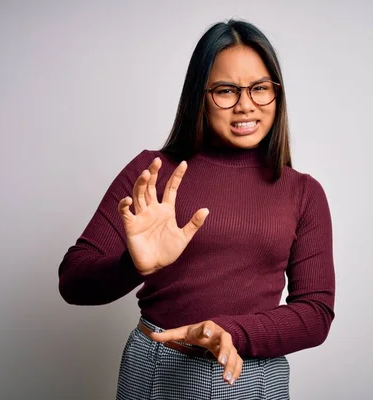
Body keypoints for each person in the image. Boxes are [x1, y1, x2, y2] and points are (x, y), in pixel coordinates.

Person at [58, 19, 335, 400]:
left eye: (260, 89)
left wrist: (230, 332)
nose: (245, 105)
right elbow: (72, 282)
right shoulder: (153, 172)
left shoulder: (303, 192)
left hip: (253, 377)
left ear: (277, 94)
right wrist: (133, 265)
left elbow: (316, 313)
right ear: (199, 96)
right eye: (225, 90)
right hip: (158, 369)